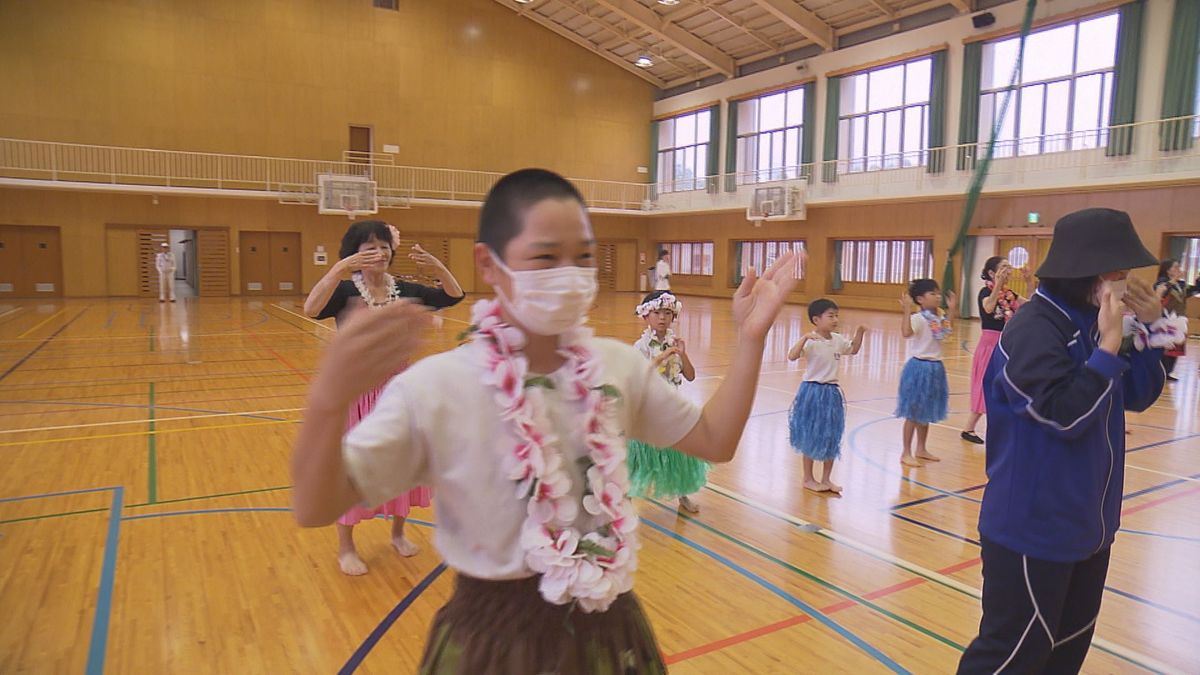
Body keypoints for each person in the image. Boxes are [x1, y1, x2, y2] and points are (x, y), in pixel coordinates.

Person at [291, 168, 800, 673]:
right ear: (488, 265)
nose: (569, 272)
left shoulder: (617, 367)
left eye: (582, 256)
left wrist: (751, 340)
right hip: (489, 645)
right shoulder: (436, 386)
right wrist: (328, 399)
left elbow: (715, 440)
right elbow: (317, 504)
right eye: (544, 256)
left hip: (608, 632)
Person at [959, 208, 1184, 674]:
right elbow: (1061, 417)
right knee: (1010, 659)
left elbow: (1139, 395)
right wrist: (1106, 347)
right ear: (1085, 270)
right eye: (1116, 271)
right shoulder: (1033, 328)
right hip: (1032, 531)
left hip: (1090, 528)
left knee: (1064, 658)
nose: (1124, 281)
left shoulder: (1096, 320)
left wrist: (1155, 328)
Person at [302, 220, 464, 575]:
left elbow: (453, 296)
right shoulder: (345, 290)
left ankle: (398, 532)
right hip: (357, 393)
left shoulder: (402, 289)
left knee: (402, 466)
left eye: (384, 245)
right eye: (369, 246)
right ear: (354, 253)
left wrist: (437, 267)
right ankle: (346, 546)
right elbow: (312, 309)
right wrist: (337, 270)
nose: (379, 252)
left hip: (400, 393)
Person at [626, 290, 706, 513]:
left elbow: (690, 376)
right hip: (648, 411)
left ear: (674, 317)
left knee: (677, 456)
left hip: (672, 409)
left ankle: (683, 495)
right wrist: (660, 358)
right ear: (646, 316)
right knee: (638, 459)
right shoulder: (640, 347)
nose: (662, 317)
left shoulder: (675, 344)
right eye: (657, 312)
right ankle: (627, 498)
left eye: (668, 313)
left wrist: (683, 355)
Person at [786, 298, 865, 493]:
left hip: (831, 392)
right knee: (811, 435)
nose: (835, 319)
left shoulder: (837, 340)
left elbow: (853, 349)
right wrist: (804, 338)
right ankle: (808, 478)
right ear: (816, 319)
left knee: (831, 435)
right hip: (812, 391)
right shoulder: (812, 341)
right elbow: (792, 356)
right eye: (830, 316)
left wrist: (860, 333)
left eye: (836, 315)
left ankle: (827, 478)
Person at [961, 257, 1028, 444]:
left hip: (1007, 344)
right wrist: (997, 285)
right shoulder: (985, 291)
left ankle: (999, 429)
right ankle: (969, 428)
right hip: (989, 345)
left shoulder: (1009, 294)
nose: (1008, 270)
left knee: (1007, 385)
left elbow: (1031, 305)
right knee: (986, 384)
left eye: (1008, 267)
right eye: (1003, 267)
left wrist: (1030, 281)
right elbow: (989, 308)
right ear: (992, 273)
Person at [896, 279, 955, 467]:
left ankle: (921, 448)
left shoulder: (939, 316)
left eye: (938, 294)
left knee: (926, 411)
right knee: (913, 412)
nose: (938, 297)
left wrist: (952, 310)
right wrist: (906, 310)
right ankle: (906, 452)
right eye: (933, 294)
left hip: (935, 367)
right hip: (919, 368)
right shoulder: (918, 318)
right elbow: (906, 333)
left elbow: (946, 333)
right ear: (920, 299)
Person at [1155, 258, 1188, 381]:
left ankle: (1168, 372)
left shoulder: (1180, 285)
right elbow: (1161, 293)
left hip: (1178, 319)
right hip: (1166, 319)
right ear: (1168, 270)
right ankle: (1161, 372)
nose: (1179, 269)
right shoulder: (1161, 283)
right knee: (1166, 347)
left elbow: (1189, 292)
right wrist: (1173, 280)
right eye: (1175, 267)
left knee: (1176, 347)